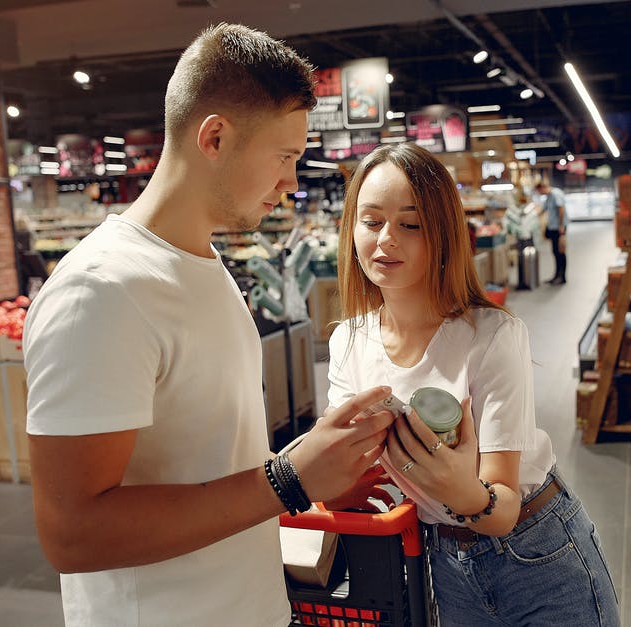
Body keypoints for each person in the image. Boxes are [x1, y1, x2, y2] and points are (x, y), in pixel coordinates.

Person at [23, 24, 395, 626]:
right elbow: (73, 533)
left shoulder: (205, 264)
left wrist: (314, 473)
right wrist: (289, 480)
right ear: (216, 137)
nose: (292, 183)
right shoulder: (101, 292)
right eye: (285, 157)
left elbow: (210, 463)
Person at [327, 143, 621, 626]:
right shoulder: (348, 344)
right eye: (372, 221)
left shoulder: (492, 336)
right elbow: (342, 473)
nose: (386, 240)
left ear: (441, 233)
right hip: (442, 562)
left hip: (536, 550)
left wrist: (459, 488)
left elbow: (502, 507)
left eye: (410, 224)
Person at [537, 179, 568, 285]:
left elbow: (561, 209)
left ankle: (562, 277)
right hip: (552, 227)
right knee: (555, 252)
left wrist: (561, 226)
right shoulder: (548, 197)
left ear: (542, 188)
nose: (539, 194)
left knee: (560, 251)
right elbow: (543, 210)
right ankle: (556, 275)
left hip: (559, 228)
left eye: (539, 191)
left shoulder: (556, 194)